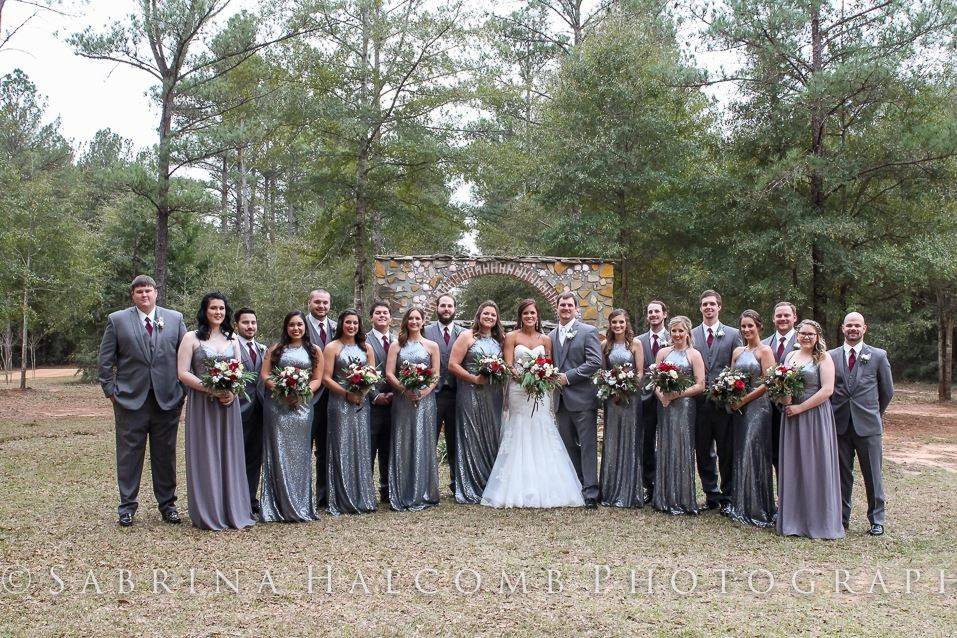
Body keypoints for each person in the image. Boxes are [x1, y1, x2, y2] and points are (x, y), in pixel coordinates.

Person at [98, 274, 187, 527]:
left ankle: (168, 505)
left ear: (156, 293)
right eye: (139, 292)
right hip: (129, 400)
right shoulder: (117, 320)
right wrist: (111, 391)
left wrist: (182, 391)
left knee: (165, 455)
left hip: (167, 400)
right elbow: (105, 361)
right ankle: (127, 507)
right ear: (132, 296)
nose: (144, 295)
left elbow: (185, 356)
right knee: (129, 455)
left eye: (148, 291)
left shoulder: (174, 318)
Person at [482, 299, 584, 508]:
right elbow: (509, 365)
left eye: (533, 313)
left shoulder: (546, 339)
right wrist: (524, 379)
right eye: (526, 313)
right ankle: (516, 487)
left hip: (540, 390)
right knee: (520, 429)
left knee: (541, 428)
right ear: (521, 316)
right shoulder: (511, 337)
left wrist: (539, 378)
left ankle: (545, 486)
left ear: (538, 316)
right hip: (519, 390)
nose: (529, 316)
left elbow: (548, 365)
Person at [176, 292, 255, 530]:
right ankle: (209, 510)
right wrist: (210, 389)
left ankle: (232, 508)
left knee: (229, 453)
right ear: (205, 310)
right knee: (206, 453)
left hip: (227, 405)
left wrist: (232, 392)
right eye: (213, 308)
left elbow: (239, 372)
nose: (218, 312)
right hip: (203, 404)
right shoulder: (191, 338)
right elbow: (182, 372)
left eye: (221, 308)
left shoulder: (232, 339)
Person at [777, 320, 844, 539]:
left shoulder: (824, 358)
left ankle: (819, 522)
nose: (806, 337)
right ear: (797, 335)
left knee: (815, 464)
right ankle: (794, 521)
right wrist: (785, 398)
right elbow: (784, 384)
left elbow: (827, 390)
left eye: (810, 334)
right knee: (795, 464)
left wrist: (800, 408)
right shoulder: (790, 357)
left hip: (814, 415)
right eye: (802, 333)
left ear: (818, 337)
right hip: (792, 417)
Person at [829, 312, 894, 536]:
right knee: (841, 476)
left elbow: (887, 391)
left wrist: (874, 412)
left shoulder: (877, 356)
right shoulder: (831, 356)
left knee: (873, 474)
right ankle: (841, 518)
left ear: (864, 328)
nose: (853, 329)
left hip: (868, 426)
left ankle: (877, 519)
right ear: (842, 328)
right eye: (849, 325)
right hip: (839, 425)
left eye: (857, 325)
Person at [260, 311, 324, 522]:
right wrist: (281, 390)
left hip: (302, 407)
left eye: (299, 324)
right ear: (286, 327)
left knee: (300, 454)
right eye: (291, 325)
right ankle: (276, 506)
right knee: (278, 452)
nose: (296, 328)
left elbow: (317, 378)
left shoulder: (314, 351)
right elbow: (265, 375)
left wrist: (301, 393)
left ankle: (300, 504)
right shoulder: (275, 349)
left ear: (305, 326)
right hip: (277, 407)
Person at [447, 301, 505, 504]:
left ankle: (491, 484)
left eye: (493, 314)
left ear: (497, 319)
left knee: (492, 435)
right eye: (486, 313)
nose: (489, 317)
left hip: (494, 395)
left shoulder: (500, 340)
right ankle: (471, 486)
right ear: (479, 315)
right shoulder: (467, 336)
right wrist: (473, 379)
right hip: (470, 392)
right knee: (472, 436)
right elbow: (452, 365)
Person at [549, 292, 603, 508]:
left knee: (588, 446)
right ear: (557, 308)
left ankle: (591, 493)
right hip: (560, 401)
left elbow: (595, 362)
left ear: (576, 309)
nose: (565, 308)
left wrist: (568, 377)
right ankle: (575, 487)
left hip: (582, 400)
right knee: (568, 445)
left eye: (569, 305)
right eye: (562, 305)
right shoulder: (551, 335)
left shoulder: (588, 332)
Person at [691, 289, 742, 513]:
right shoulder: (691, 334)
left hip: (723, 403)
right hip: (699, 402)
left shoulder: (733, 334)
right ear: (700, 308)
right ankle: (711, 494)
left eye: (712, 304)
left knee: (726, 450)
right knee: (703, 450)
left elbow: (736, 366)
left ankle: (728, 496)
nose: (709, 308)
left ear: (719, 307)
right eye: (705, 304)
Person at [386, 307, 442, 511]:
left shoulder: (432, 345)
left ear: (423, 321)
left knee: (424, 440)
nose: (414, 321)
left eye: (418, 318)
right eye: (411, 318)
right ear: (405, 321)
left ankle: (424, 491)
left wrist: (426, 391)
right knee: (404, 440)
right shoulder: (396, 345)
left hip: (426, 400)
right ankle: (402, 491)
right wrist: (404, 389)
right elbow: (389, 373)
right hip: (403, 400)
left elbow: (435, 373)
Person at [323, 309, 377, 515]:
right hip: (339, 402)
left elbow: (372, 375)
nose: (352, 326)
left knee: (360, 446)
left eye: (355, 323)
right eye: (348, 322)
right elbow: (327, 378)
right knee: (341, 445)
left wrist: (363, 391)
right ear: (341, 324)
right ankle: (341, 498)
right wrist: (347, 393)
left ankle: (362, 496)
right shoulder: (332, 347)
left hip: (361, 403)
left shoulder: (367, 348)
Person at [652, 316, 706, 515]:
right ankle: (663, 497)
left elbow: (701, 384)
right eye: (673, 331)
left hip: (684, 406)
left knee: (682, 446)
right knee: (665, 445)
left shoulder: (694, 355)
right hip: (665, 406)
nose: (677, 335)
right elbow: (655, 379)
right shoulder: (663, 353)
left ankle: (682, 498)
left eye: (680, 331)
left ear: (687, 332)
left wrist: (676, 394)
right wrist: (662, 396)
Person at [727, 310, 776, 527]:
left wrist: (744, 399)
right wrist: (728, 394)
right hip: (739, 409)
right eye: (743, 326)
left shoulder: (765, 351)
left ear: (759, 326)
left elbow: (768, 382)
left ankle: (758, 507)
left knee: (753, 451)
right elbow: (730, 376)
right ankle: (741, 505)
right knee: (740, 452)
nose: (747, 330)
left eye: (750, 326)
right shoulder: (738, 351)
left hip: (758, 409)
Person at [598, 309, 645, 508]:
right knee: (613, 439)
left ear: (627, 323)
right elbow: (602, 372)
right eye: (614, 322)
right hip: (612, 400)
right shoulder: (605, 345)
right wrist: (611, 388)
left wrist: (626, 388)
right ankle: (610, 491)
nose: (617, 326)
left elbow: (640, 372)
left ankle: (629, 492)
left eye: (621, 322)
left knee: (630, 439)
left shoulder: (635, 344)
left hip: (630, 399)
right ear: (610, 325)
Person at [424, 294, 463, 495]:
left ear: (455, 309)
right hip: (433, 394)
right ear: (437, 308)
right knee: (429, 439)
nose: (446, 309)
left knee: (456, 441)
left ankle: (457, 484)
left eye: (449, 306)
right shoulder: (425, 331)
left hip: (457, 394)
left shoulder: (463, 333)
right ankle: (429, 486)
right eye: (442, 306)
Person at [305, 289, 337, 508]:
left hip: (333, 397)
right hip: (306, 396)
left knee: (326, 448)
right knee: (303, 446)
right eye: (317, 302)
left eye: (325, 303)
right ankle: (301, 494)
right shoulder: (299, 326)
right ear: (309, 303)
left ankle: (323, 495)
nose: (321, 306)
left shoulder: (337, 327)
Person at [234, 307, 266, 516]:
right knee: (236, 456)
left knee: (255, 457)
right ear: (236, 325)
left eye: (253, 322)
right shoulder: (230, 346)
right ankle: (235, 498)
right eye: (245, 323)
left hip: (261, 410)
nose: (250, 326)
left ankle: (250, 498)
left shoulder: (263, 349)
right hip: (237, 408)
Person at [637, 299, 669, 502]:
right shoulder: (639, 340)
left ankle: (667, 483)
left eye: (657, 311)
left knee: (667, 441)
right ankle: (649, 484)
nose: (653, 315)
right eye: (650, 312)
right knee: (646, 442)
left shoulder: (675, 335)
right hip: (645, 399)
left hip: (669, 398)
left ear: (665, 314)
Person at [761, 301, 798, 476]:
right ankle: (781, 498)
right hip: (769, 409)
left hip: (797, 408)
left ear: (794, 318)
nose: (782, 319)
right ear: (773, 319)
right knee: (774, 454)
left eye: (786, 315)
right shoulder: (764, 343)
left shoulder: (805, 340)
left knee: (795, 456)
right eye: (779, 316)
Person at [366, 301, 394, 502]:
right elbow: (360, 370)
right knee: (369, 447)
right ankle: (366, 490)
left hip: (395, 402)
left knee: (389, 447)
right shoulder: (364, 340)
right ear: (371, 318)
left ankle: (387, 489)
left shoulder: (398, 340)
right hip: (371, 403)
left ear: (391, 317)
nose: (382, 315)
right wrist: (375, 395)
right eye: (378, 313)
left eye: (385, 313)